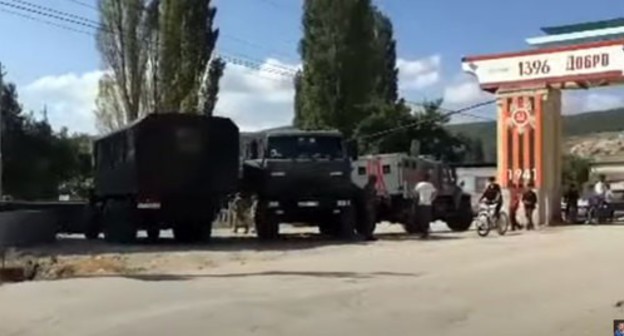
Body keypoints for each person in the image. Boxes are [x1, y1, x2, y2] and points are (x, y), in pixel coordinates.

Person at [414, 173, 437, 239]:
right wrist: (432, 199)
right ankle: (426, 232)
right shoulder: (430, 185)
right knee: (427, 218)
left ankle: (423, 233)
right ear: (428, 178)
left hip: (421, 203)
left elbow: (415, 193)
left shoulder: (419, 185)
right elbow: (435, 192)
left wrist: (416, 201)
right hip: (428, 203)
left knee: (421, 218)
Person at [361, 175, 378, 241]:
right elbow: (369, 197)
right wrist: (376, 199)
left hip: (370, 206)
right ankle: (368, 235)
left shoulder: (369, 187)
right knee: (369, 222)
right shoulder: (369, 187)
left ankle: (369, 235)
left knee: (371, 222)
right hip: (369, 206)